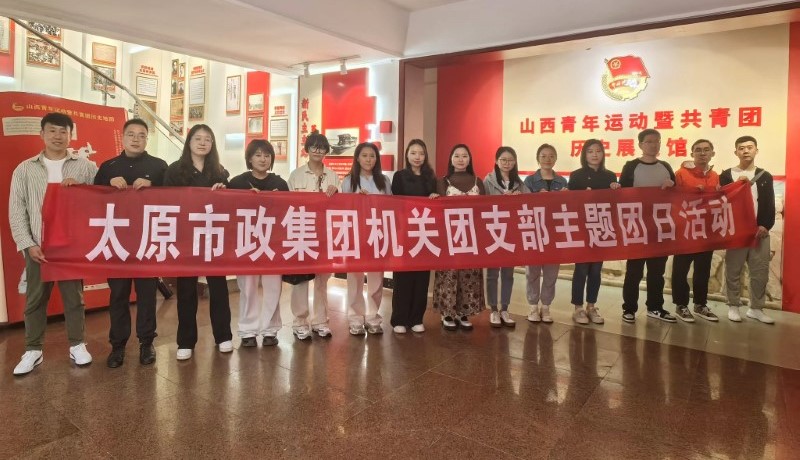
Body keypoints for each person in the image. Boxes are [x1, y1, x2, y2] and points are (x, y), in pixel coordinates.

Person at [9, 113, 97, 375]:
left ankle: (77, 345)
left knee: (74, 299)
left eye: (63, 131)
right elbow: (17, 210)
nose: (58, 136)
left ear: (71, 135)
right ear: (42, 134)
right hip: (38, 246)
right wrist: (27, 244)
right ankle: (33, 349)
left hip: (70, 247)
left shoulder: (85, 167)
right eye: (52, 131)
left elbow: (100, 202)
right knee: (35, 300)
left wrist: (81, 189)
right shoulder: (25, 169)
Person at [94, 118, 167, 368]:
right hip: (117, 242)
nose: (136, 139)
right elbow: (92, 200)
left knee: (147, 295)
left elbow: (173, 198)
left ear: (147, 139)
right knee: (118, 295)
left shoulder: (159, 166)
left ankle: (147, 343)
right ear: (123, 137)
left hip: (147, 241)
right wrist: (107, 185)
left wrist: (153, 186)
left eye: (141, 135)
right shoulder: (108, 167)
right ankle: (118, 346)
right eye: (131, 134)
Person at [163, 124, 232, 360]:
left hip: (213, 237)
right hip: (186, 237)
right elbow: (166, 203)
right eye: (198, 138)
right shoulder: (175, 170)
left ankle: (223, 336)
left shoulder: (219, 171)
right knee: (186, 290)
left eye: (208, 139)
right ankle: (185, 341)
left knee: (219, 288)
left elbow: (229, 204)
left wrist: (224, 191)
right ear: (189, 142)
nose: (203, 143)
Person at [228, 139, 289, 347]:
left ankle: (271, 329)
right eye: (258, 155)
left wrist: (276, 201)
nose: (263, 159)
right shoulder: (237, 183)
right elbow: (228, 210)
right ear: (249, 158)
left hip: (273, 242)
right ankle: (248, 331)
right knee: (248, 287)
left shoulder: (280, 184)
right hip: (247, 241)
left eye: (267, 155)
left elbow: (288, 213)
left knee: (273, 287)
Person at [620, 129, 677, 323]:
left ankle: (655, 307)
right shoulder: (631, 166)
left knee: (657, 272)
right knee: (634, 271)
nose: (654, 145)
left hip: (660, 229)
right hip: (637, 228)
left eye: (657, 141)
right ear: (640, 145)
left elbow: (677, 196)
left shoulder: (665, 167)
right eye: (649, 141)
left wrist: (672, 187)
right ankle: (629, 309)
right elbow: (622, 195)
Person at [286, 131, 339, 340]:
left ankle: (320, 321)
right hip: (302, 231)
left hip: (325, 232)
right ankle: (300, 322)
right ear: (307, 149)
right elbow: (287, 205)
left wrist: (336, 192)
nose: (318, 150)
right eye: (314, 146)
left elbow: (341, 206)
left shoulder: (333, 176)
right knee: (300, 280)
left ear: (326, 151)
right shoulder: (296, 175)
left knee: (322, 279)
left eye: (322, 147)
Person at [720, 136, 775, 324]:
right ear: (736, 152)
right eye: (741, 148)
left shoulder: (765, 176)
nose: (745, 151)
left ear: (756, 150)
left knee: (760, 272)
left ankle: (756, 308)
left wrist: (765, 224)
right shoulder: (726, 175)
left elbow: (769, 202)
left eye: (750, 147)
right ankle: (733, 305)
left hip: (760, 231)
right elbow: (722, 202)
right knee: (733, 270)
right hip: (736, 232)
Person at [433, 144, 486, 331]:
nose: (461, 159)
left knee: (468, 275)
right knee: (449, 275)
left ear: (470, 159)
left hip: (471, 237)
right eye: (457, 155)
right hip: (449, 236)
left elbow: (485, 209)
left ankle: (464, 312)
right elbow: (438, 210)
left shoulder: (478, 182)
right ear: (451, 159)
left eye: (464, 156)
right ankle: (447, 313)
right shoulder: (442, 182)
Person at [340, 142, 391, 336]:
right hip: (355, 234)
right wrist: (357, 200)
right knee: (355, 279)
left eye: (372, 156)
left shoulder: (384, 181)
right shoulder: (349, 181)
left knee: (376, 279)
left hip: (377, 234)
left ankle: (373, 317)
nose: (369, 159)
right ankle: (355, 318)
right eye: (364, 155)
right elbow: (343, 209)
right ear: (357, 158)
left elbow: (391, 206)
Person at [567, 140, 621, 325]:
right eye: (590, 151)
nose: (594, 154)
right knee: (581, 268)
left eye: (598, 151)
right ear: (584, 154)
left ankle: (591, 306)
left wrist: (616, 190)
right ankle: (578, 308)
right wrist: (582, 195)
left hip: (601, 227)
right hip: (582, 227)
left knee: (596, 269)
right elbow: (569, 202)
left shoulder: (610, 176)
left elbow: (615, 203)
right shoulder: (576, 176)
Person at [390, 139, 437, 334]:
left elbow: (436, 204)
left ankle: (417, 318)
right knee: (403, 277)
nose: (417, 157)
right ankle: (399, 319)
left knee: (421, 278)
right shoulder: (399, 176)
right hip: (404, 232)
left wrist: (435, 198)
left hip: (424, 232)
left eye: (421, 153)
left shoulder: (430, 177)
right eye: (413, 153)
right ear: (407, 155)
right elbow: (394, 203)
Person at [671, 139, 720, 323]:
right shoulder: (681, 174)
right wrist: (691, 191)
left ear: (712, 153)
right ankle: (681, 305)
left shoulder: (715, 176)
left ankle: (700, 304)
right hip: (685, 230)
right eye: (698, 150)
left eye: (706, 150)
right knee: (680, 270)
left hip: (706, 231)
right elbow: (671, 199)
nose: (702, 153)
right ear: (692, 154)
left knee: (703, 270)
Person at [484, 146, 527, 328]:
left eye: (510, 160)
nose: (507, 163)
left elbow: (531, 202)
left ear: (515, 162)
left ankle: (505, 309)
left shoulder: (519, 182)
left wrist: (519, 197)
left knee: (508, 273)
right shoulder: (488, 181)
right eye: (503, 160)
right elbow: (481, 204)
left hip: (511, 233)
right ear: (496, 161)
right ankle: (493, 309)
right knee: (492, 273)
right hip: (493, 232)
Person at [522, 144, 565, 324]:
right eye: (544, 156)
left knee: (551, 273)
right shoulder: (530, 181)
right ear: (538, 159)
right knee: (532, 272)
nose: (547, 159)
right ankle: (533, 306)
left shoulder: (562, 182)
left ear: (555, 159)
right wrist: (536, 197)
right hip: (534, 231)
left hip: (555, 233)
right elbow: (523, 205)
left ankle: (546, 306)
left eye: (551, 156)